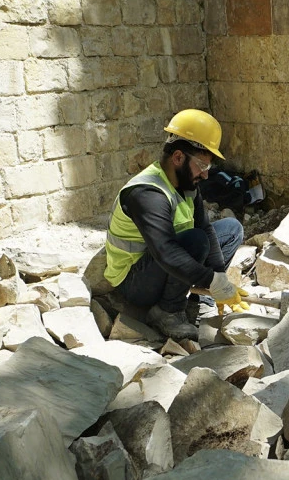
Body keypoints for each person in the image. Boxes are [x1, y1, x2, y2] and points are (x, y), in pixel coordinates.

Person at [103, 109, 247, 340]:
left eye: (208, 168)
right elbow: (166, 253)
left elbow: (206, 228)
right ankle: (168, 311)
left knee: (231, 229)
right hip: (134, 282)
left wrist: (219, 277)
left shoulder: (185, 184)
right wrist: (212, 280)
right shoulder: (147, 193)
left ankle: (195, 295)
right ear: (178, 157)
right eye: (202, 166)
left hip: (164, 266)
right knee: (195, 241)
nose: (205, 175)